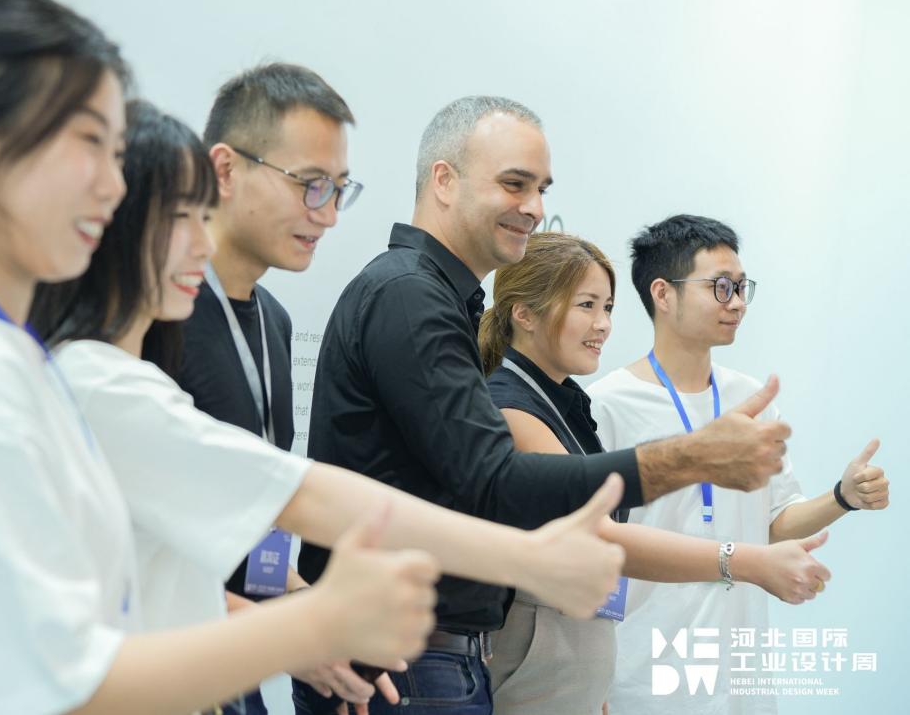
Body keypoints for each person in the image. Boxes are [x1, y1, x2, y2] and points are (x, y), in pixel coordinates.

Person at [0, 0, 444, 715]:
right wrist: (313, 623)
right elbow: (69, 686)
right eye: (87, 144)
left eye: (114, 153)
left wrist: (296, 614)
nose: (111, 189)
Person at [29, 99, 629, 714]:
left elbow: (231, 543)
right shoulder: (95, 384)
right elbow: (307, 497)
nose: (201, 242)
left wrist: (298, 621)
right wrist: (310, 625)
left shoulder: (250, 329)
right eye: (181, 217)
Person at [298, 96, 795, 715]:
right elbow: (500, 484)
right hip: (410, 661)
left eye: (541, 189)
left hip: (434, 657)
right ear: (444, 180)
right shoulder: (410, 296)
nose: (534, 207)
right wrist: (692, 462)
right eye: (515, 184)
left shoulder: (444, 305)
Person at [479, 231, 832, 715]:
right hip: (558, 666)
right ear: (524, 313)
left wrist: (842, 497)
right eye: (586, 305)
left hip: (583, 667)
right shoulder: (521, 404)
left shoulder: (566, 402)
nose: (603, 324)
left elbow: (776, 515)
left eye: (607, 307)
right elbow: (598, 535)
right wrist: (746, 561)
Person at [588, 214, 892, 715]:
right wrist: (591, 681)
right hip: (642, 678)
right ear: (663, 294)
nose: (737, 303)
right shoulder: (608, 404)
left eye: (742, 287)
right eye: (721, 287)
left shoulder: (749, 397)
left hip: (741, 684)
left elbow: (772, 524)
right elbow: (595, 548)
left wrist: (843, 498)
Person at [174, 63, 384, 713]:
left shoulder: (275, 321)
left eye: (339, 190)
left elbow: (250, 525)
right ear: (225, 169)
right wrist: (286, 635)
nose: (327, 214)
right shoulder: (152, 314)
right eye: (309, 184)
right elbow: (119, 559)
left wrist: (312, 613)